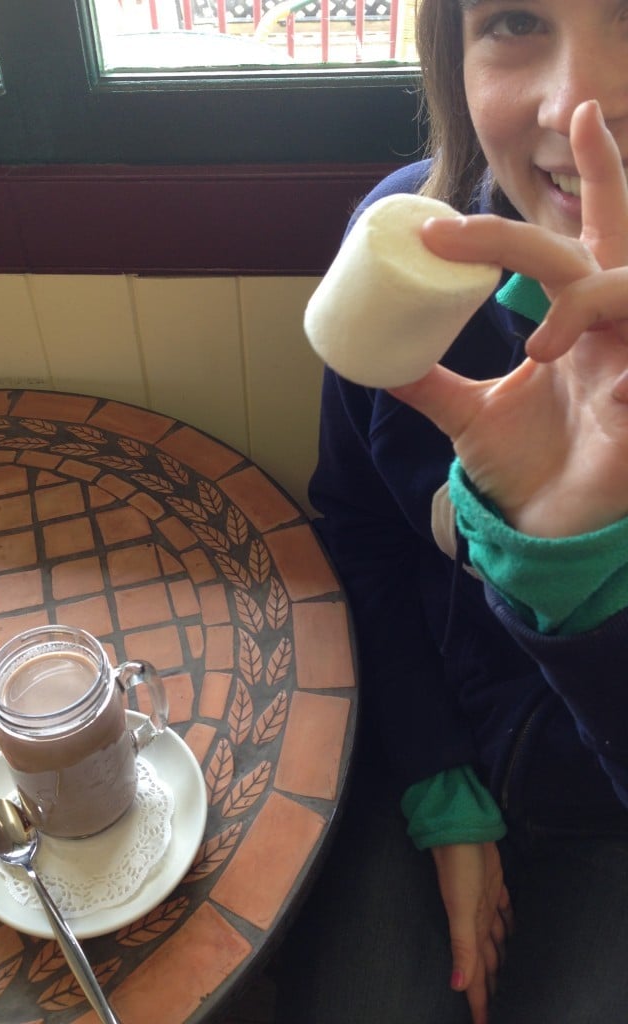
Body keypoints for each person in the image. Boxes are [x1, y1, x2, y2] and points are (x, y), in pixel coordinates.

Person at [273, 2, 628, 1022]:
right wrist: (437, 785)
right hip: (422, 735)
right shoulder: (413, 247)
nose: (577, 104)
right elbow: (361, 529)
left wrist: (575, 576)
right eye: (514, 18)